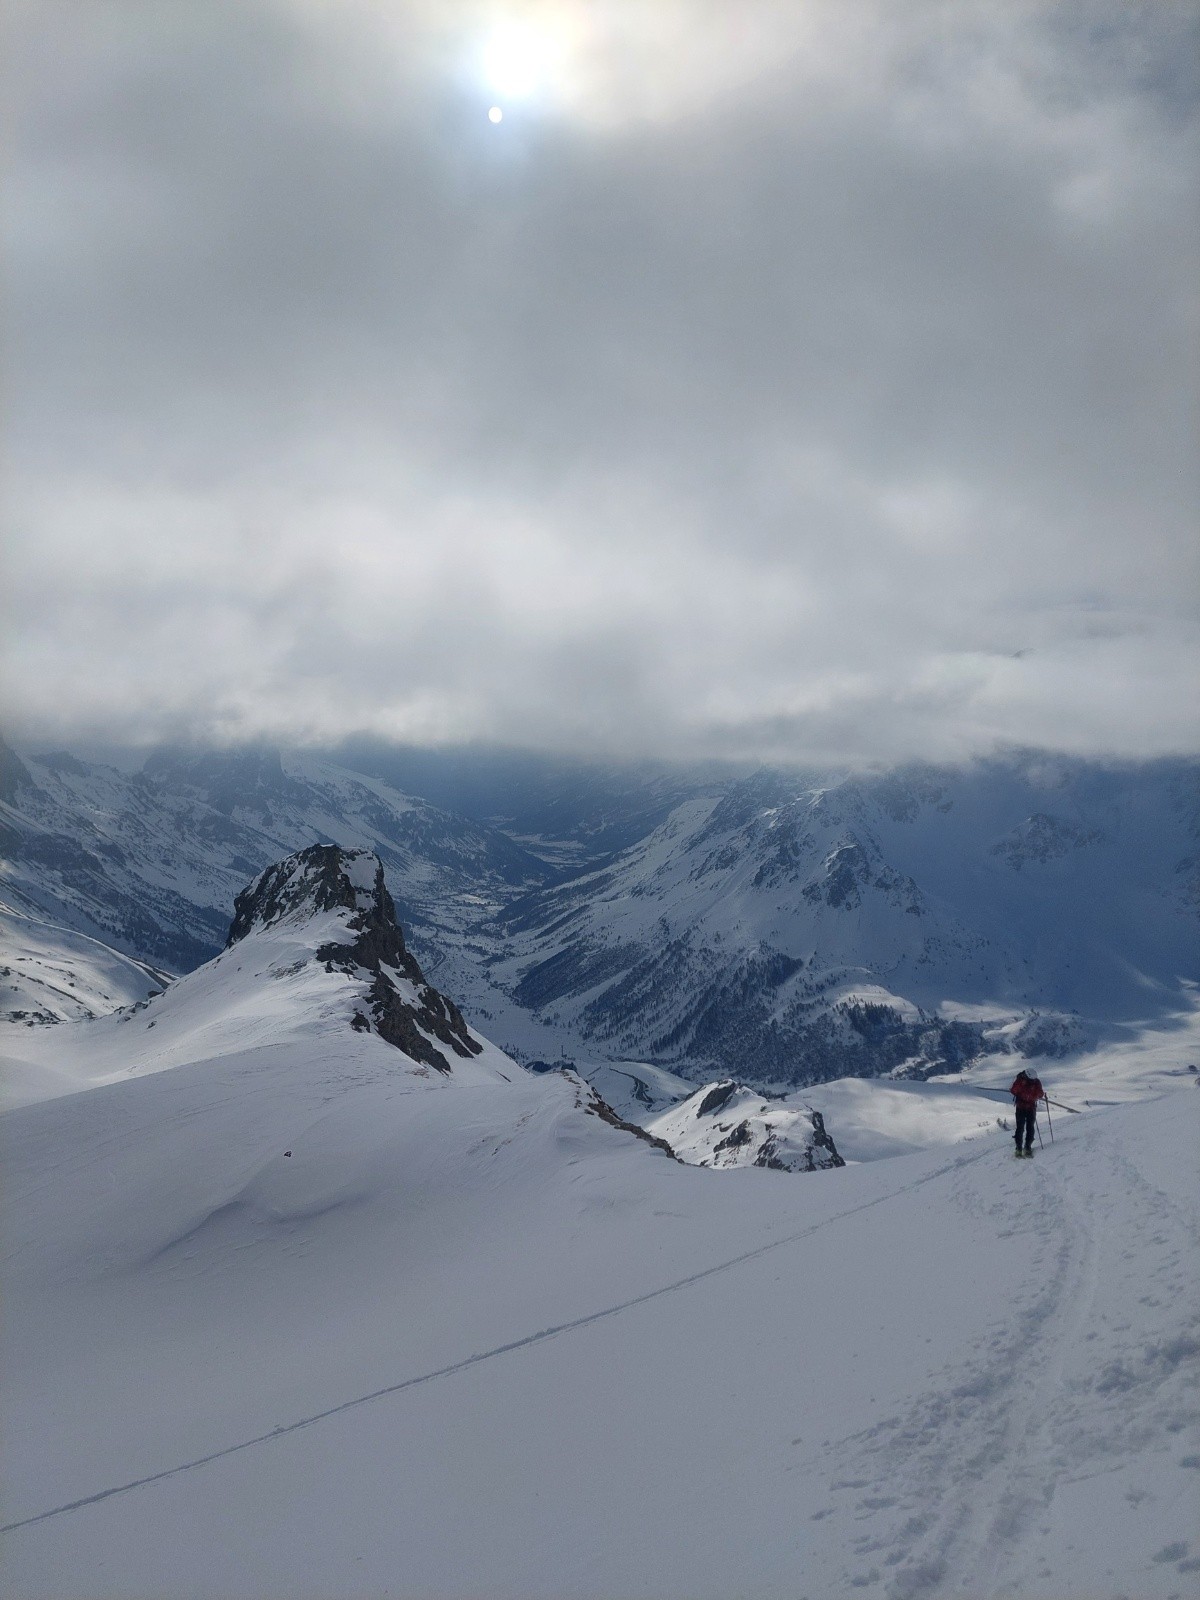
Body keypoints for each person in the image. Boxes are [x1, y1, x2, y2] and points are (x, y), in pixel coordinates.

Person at [1010, 1066, 1045, 1157]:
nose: (1033, 1081)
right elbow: (1013, 1090)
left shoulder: (1034, 1081)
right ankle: (1022, 1148)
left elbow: (1040, 1094)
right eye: (1031, 1079)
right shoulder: (1021, 1080)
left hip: (1026, 1107)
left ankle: (1025, 1147)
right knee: (1023, 1128)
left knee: (1026, 1128)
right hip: (1025, 1107)